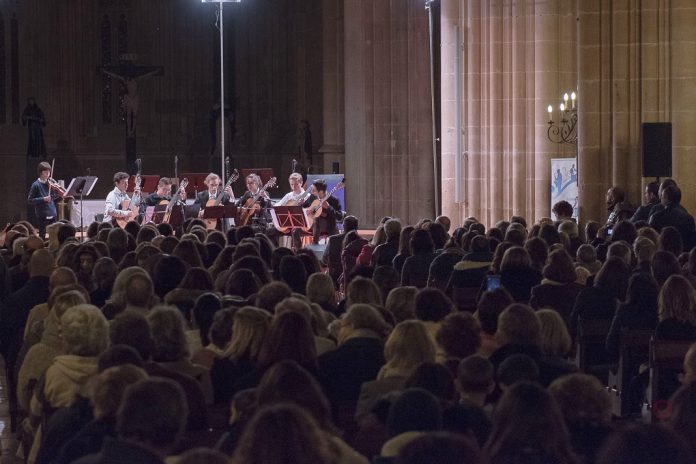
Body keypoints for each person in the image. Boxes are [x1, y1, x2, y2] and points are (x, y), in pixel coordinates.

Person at [293, 179, 343, 250]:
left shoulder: (333, 200)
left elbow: (340, 217)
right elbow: (305, 207)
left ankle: (314, 247)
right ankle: (299, 252)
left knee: (317, 219)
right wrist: (301, 205)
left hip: (327, 227)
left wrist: (328, 207)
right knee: (295, 230)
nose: (311, 191)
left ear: (321, 192)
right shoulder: (312, 197)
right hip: (311, 225)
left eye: (314, 190)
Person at [27, 161, 59, 239]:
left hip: (52, 212)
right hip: (42, 214)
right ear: (41, 172)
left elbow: (54, 197)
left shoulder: (50, 184)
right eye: (46, 172)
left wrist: (56, 193)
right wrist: (43, 199)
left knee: (55, 235)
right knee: (42, 235)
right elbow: (30, 200)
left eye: (49, 172)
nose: (48, 174)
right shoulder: (36, 185)